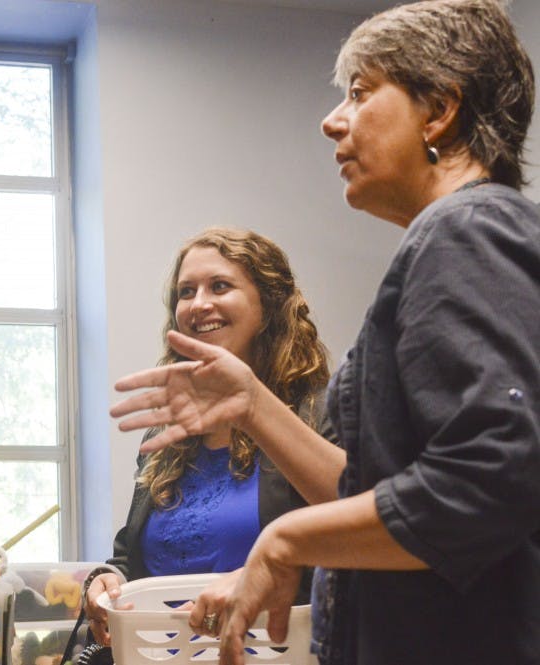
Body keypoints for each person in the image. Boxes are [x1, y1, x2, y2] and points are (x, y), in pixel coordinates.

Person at [110, 1, 539, 663]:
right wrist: (252, 404)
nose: (332, 120)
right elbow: (378, 496)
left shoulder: (464, 230)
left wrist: (287, 539)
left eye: (361, 93)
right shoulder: (460, 236)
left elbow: (490, 480)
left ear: (439, 110)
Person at [83, 227, 341, 648]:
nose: (199, 304)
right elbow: (132, 556)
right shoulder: (169, 432)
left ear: (268, 305)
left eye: (220, 286)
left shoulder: (316, 413)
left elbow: (357, 529)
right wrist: (107, 580)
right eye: (186, 292)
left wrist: (264, 575)